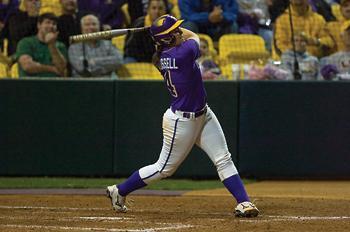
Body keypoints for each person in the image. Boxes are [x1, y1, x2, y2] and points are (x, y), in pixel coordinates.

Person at [106, 14, 259, 217]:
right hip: (181, 122)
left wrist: (160, 30)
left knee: (223, 158)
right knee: (163, 169)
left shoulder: (165, 53)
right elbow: (194, 34)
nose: (179, 32)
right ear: (166, 39)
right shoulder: (182, 53)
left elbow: (179, 35)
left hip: (203, 114)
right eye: (174, 31)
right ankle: (119, 190)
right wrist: (161, 30)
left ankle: (244, 202)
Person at [16, 13, 67, 77]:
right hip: (30, 84)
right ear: (39, 25)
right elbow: (27, 66)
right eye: (47, 22)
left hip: (54, 85)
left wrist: (51, 45)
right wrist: (52, 69)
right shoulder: (25, 42)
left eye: (54, 24)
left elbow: (61, 69)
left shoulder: (60, 46)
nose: (51, 26)